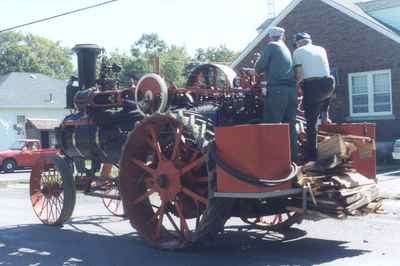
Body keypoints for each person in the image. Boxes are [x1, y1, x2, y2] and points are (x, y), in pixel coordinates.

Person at [255, 27, 298, 162]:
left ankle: (272, 163)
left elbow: (258, 68)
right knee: (290, 128)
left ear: (269, 37)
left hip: (277, 91)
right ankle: (293, 162)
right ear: (283, 36)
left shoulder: (272, 46)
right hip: (291, 92)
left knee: (272, 126)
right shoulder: (286, 49)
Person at [293, 32, 335, 161]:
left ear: (298, 43)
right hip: (329, 84)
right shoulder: (320, 49)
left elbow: (299, 75)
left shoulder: (298, 51)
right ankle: (325, 116)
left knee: (310, 124)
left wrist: (294, 87)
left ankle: (312, 156)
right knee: (323, 100)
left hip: (313, 86)